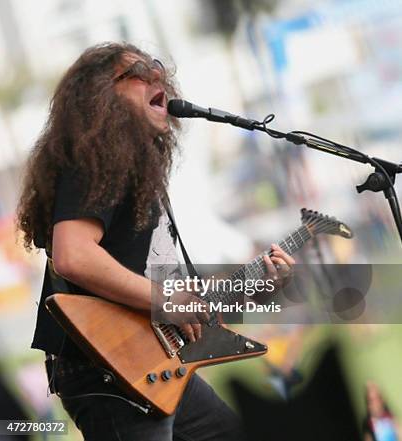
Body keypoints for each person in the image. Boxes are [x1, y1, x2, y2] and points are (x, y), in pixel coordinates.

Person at [16, 42, 295, 441]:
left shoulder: (134, 173)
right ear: (100, 98)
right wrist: (166, 300)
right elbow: (73, 256)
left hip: (152, 363)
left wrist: (254, 288)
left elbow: (167, 295)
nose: (157, 77)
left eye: (157, 68)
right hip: (108, 370)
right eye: (139, 73)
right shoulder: (92, 161)